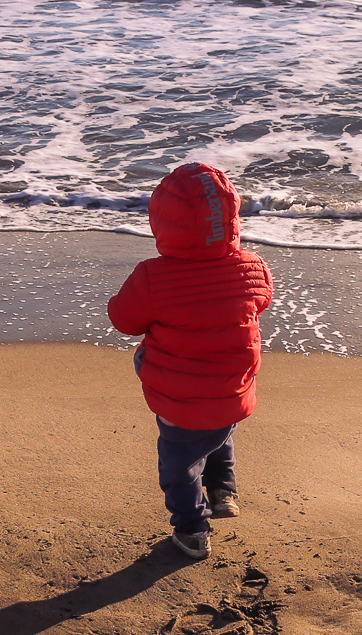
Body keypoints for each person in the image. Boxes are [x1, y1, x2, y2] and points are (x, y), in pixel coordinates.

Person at [107, 162, 276, 560]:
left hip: (180, 403)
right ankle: (223, 491)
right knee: (219, 430)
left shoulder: (152, 277)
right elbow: (261, 300)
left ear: (162, 223)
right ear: (231, 217)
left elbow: (123, 321)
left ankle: (192, 529)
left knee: (179, 466)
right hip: (233, 389)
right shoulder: (251, 265)